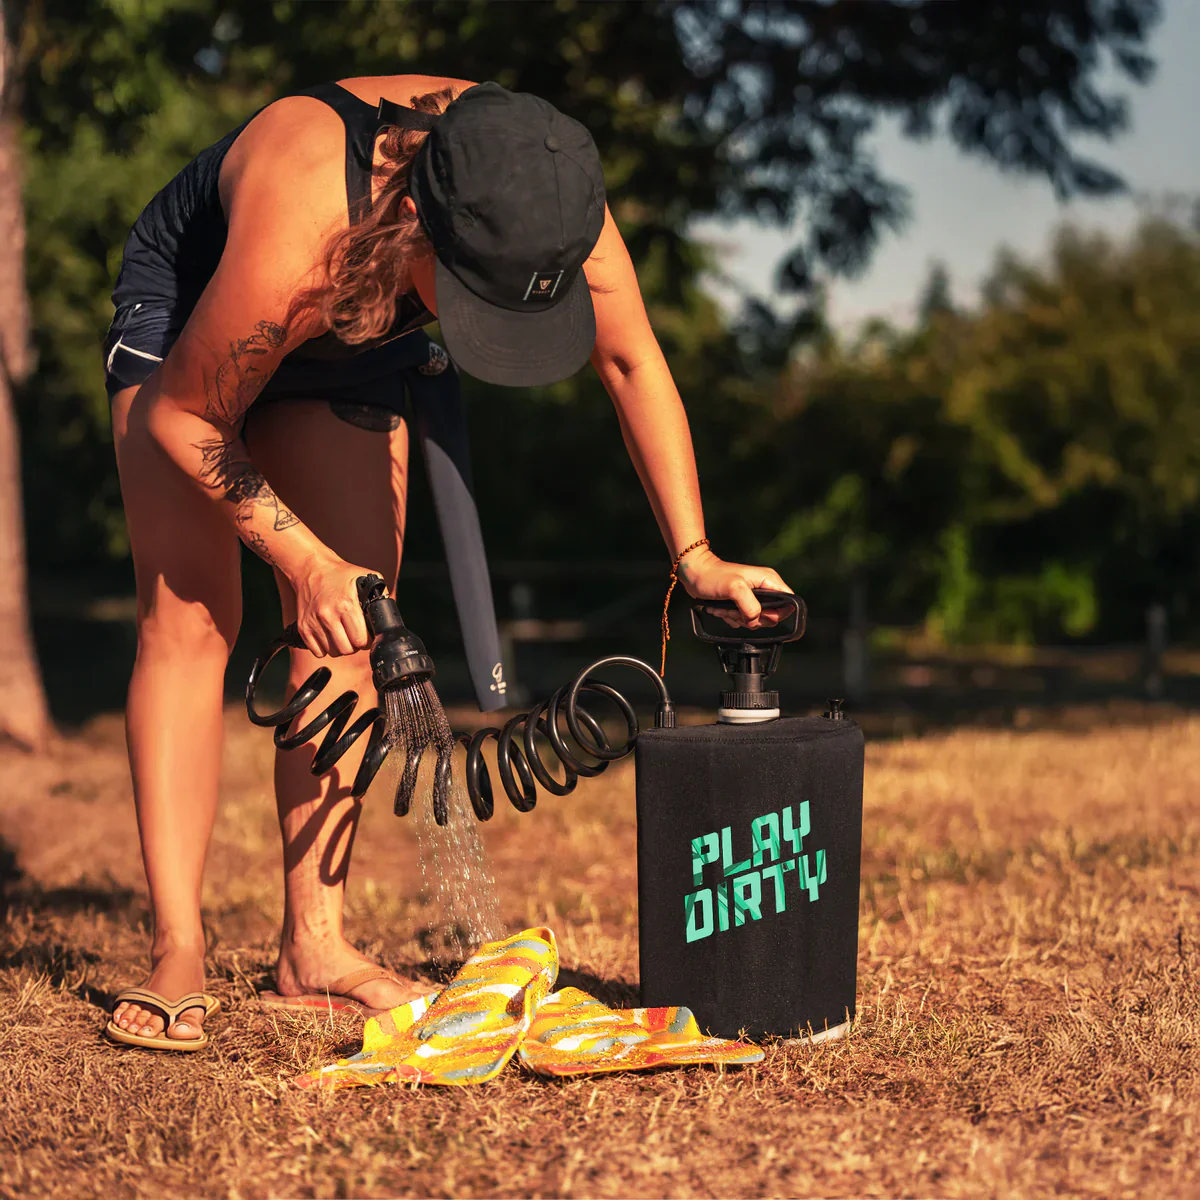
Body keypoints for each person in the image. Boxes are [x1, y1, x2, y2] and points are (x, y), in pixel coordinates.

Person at [101, 74, 792, 1050]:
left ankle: (316, 950)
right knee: (193, 619)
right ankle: (178, 945)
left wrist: (697, 554)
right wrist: (300, 558)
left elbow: (633, 362)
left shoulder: (550, 199)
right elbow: (185, 415)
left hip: (360, 325)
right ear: (420, 221)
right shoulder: (303, 216)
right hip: (198, 320)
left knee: (348, 624)